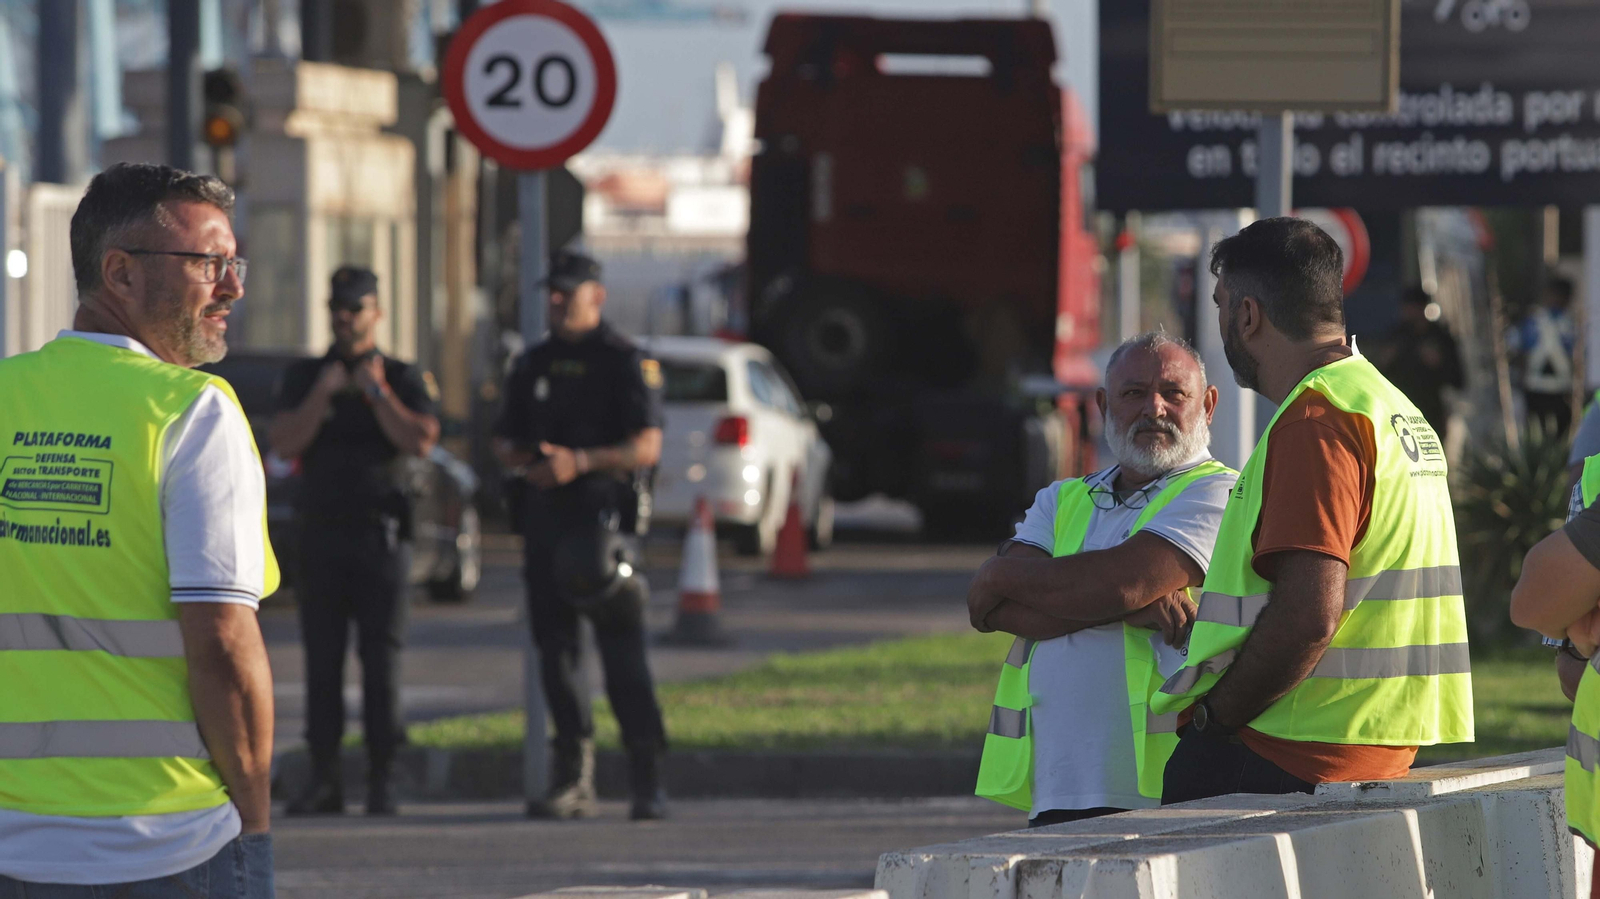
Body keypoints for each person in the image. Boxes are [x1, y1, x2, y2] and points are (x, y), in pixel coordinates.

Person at [0, 163, 275, 895]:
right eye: (208, 262)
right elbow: (221, 640)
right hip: (166, 843)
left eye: (233, 262)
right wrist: (253, 823)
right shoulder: (193, 413)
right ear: (119, 272)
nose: (232, 286)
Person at [1151, 217, 1474, 804]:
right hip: (1372, 745)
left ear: (1248, 316)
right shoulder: (1385, 402)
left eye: (1223, 305)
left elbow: (1308, 616)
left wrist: (1214, 719)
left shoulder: (1315, 421)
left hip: (1287, 752)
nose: (1222, 322)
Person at [967, 332, 1237, 825]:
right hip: (1057, 783)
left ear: (1209, 405)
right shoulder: (1061, 498)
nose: (1153, 408)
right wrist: (1130, 608)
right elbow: (985, 604)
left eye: (1174, 393)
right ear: (1102, 405)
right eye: (1133, 393)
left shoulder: (1220, 492)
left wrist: (1012, 575)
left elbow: (1118, 584)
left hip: (1162, 788)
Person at [495, 250, 670, 821]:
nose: (555, 302)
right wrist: (535, 460)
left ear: (596, 296)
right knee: (557, 656)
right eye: (551, 293)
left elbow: (646, 446)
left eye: (566, 293)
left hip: (604, 527)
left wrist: (582, 461)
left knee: (623, 658)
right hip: (547, 521)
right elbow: (505, 439)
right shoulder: (534, 363)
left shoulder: (623, 361)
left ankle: (648, 779)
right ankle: (575, 776)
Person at [270, 267, 440, 817]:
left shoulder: (403, 376)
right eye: (337, 309)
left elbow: (419, 441)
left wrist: (377, 393)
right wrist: (324, 393)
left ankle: (382, 778)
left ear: (376, 313)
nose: (345, 319)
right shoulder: (307, 376)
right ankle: (323, 778)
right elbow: (284, 441)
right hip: (321, 535)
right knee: (322, 664)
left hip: (381, 538)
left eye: (355, 309)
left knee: (381, 663)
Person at [1509, 454, 1600, 899]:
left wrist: (1585, 636)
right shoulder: (1594, 476)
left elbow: (1533, 603)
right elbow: (1569, 671)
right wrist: (1582, 646)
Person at [1371, 286, 1464, 444]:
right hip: (1399, 414)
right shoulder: (1396, 336)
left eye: (1411, 307)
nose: (1407, 312)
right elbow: (1378, 375)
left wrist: (1438, 363)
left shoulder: (1439, 337)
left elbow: (1458, 380)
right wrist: (1385, 360)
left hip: (1431, 416)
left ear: (1422, 308)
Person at [1510, 275, 1577, 437]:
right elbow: (1520, 350)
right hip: (1535, 390)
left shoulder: (1571, 325)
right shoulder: (1534, 322)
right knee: (1536, 434)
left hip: (1561, 392)